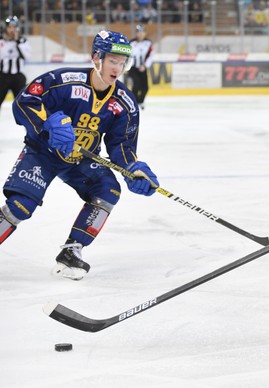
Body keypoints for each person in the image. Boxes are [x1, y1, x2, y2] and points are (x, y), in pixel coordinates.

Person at [0, 30, 159, 281]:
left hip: (81, 159)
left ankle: (72, 251)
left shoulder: (125, 102)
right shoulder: (64, 80)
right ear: (97, 57)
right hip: (43, 153)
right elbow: (25, 101)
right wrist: (48, 123)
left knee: (109, 190)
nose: (118, 68)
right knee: (21, 206)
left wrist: (134, 168)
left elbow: (122, 145)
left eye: (122, 62)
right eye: (112, 61)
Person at [0, 16, 32, 115]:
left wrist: (17, 42)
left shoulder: (23, 41)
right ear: (6, 28)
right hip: (3, 76)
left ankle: (28, 128)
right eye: (9, 27)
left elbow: (26, 56)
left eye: (14, 27)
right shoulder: (1, 41)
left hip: (18, 76)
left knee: (22, 105)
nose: (12, 30)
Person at [126, 24, 153, 110]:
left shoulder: (148, 43)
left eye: (142, 32)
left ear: (145, 33)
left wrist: (145, 66)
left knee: (145, 87)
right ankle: (134, 102)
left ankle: (140, 101)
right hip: (133, 68)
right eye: (139, 32)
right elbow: (127, 55)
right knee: (136, 85)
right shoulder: (131, 43)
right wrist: (126, 67)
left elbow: (150, 56)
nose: (140, 34)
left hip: (143, 68)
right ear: (136, 33)